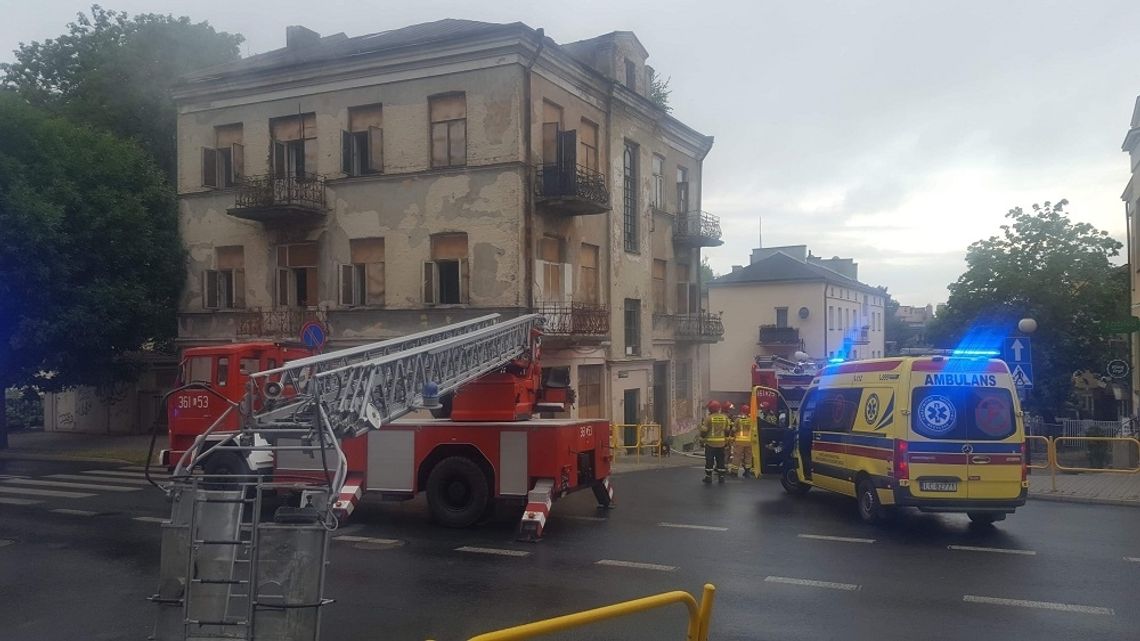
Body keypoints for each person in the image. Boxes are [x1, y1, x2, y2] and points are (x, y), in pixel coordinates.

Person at [699, 400, 731, 484]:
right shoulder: (725, 418)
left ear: (710, 409)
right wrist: (726, 440)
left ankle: (708, 477)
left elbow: (704, 430)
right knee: (720, 460)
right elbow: (728, 430)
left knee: (709, 460)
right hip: (721, 444)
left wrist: (701, 438)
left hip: (710, 443)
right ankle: (721, 477)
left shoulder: (709, 418)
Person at [734, 404, 755, 478]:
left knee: (737, 456)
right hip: (749, 441)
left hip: (739, 441)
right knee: (748, 456)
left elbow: (733, 429)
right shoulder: (751, 419)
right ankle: (747, 472)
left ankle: (734, 472)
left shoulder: (738, 419)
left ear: (741, 410)